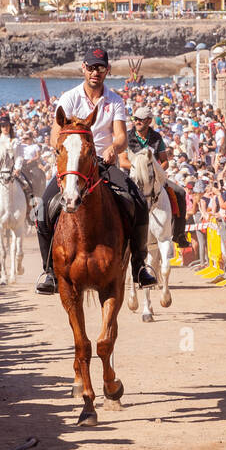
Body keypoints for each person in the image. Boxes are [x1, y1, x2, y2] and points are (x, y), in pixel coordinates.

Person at [34, 48, 158, 294]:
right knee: (43, 209)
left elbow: (121, 136)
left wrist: (113, 148)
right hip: (74, 166)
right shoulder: (69, 98)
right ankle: (49, 271)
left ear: (106, 70)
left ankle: (139, 266)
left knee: (137, 203)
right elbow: (54, 137)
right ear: (83, 68)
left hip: (103, 163)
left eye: (100, 67)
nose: (95, 72)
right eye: (91, 67)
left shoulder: (115, 100)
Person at [127, 106, 189, 247]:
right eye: (135, 119)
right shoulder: (128, 136)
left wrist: (157, 171)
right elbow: (123, 159)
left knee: (180, 192)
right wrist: (139, 168)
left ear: (149, 121)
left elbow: (164, 160)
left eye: (140, 119)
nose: (136, 122)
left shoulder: (157, 138)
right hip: (133, 176)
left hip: (153, 176)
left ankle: (179, 234)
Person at [0, 114, 37, 224]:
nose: (5, 128)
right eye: (3, 126)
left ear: (10, 127)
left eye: (7, 126)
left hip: (13, 170)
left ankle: (30, 212)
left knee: (29, 186)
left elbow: (19, 156)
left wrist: (17, 169)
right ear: (0, 128)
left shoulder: (15, 141)